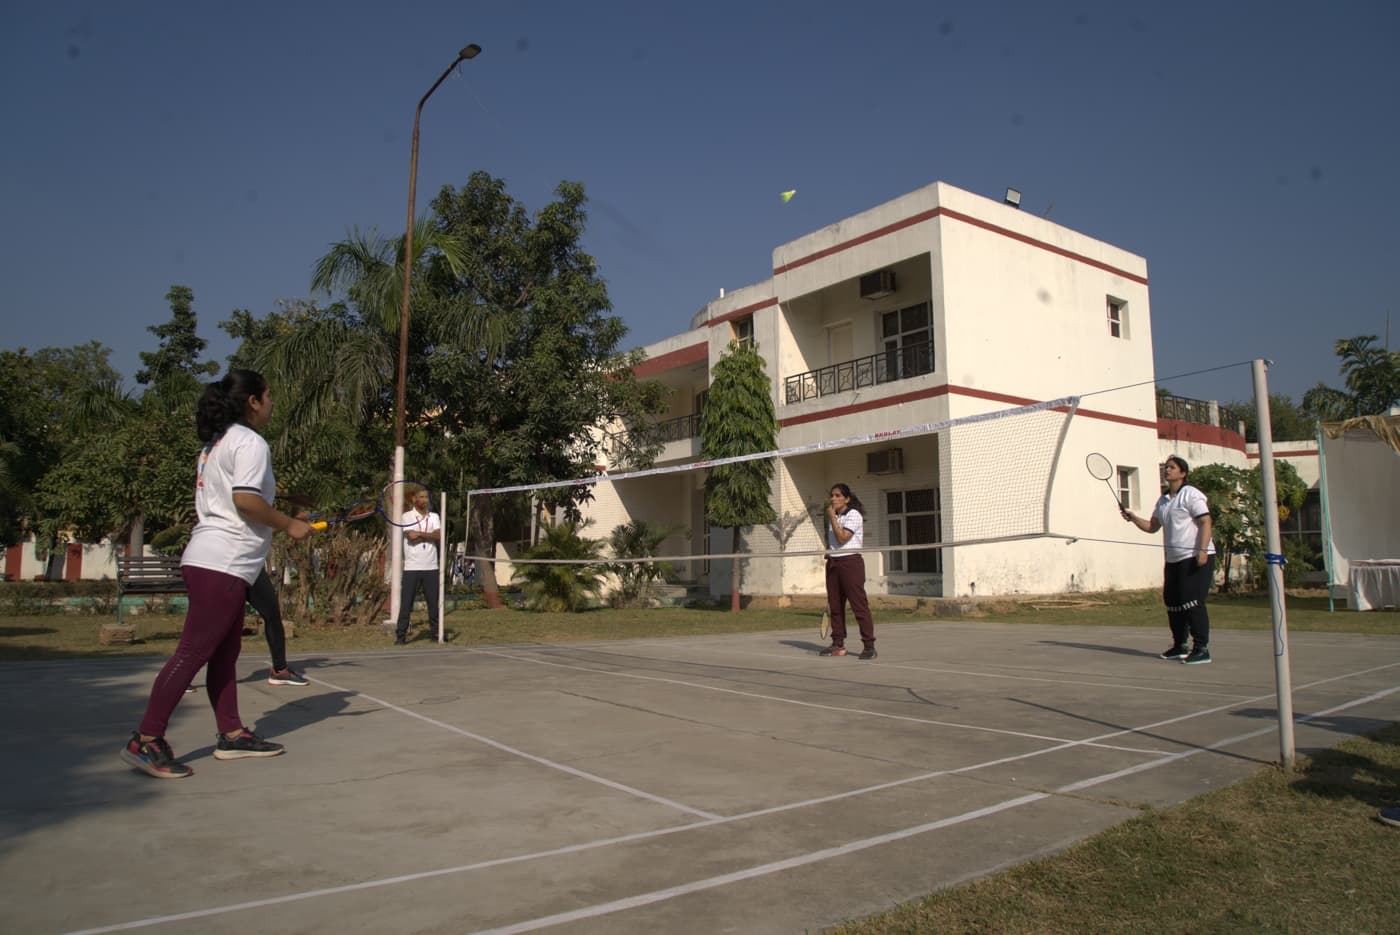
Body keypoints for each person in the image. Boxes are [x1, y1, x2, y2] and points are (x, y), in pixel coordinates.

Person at [120, 370, 312, 779]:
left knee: (225, 654)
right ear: (253, 402)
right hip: (221, 562)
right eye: (269, 394)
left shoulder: (215, 445)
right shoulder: (250, 442)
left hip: (217, 560)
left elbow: (236, 501)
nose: (272, 402)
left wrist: (288, 515)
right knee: (193, 653)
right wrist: (289, 525)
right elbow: (245, 501)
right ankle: (147, 739)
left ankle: (232, 733)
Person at [1121, 455, 1216, 665]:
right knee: (1172, 602)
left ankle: (1201, 648)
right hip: (1173, 560)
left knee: (1192, 602)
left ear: (1183, 473)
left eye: (1172, 468)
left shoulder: (1191, 495)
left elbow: (1205, 521)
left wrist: (1202, 550)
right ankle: (1179, 645)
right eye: (1165, 468)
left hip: (1195, 556)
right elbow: (1153, 527)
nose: (1167, 471)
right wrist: (1133, 518)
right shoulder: (1163, 500)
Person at [821, 483, 876, 660]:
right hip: (833, 563)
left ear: (847, 499)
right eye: (832, 495)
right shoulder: (834, 516)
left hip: (850, 563)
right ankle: (838, 643)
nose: (833, 499)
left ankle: (869, 646)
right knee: (835, 606)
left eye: (837, 496)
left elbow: (843, 538)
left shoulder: (853, 515)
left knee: (859, 605)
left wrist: (831, 518)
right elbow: (833, 542)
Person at [394, 486, 441, 644]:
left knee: (433, 603)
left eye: (426, 497)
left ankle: (436, 634)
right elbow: (411, 536)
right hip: (412, 567)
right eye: (421, 497)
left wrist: (421, 534)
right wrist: (427, 535)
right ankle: (401, 636)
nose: (424, 500)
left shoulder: (434, 516)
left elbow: (438, 536)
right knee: (406, 603)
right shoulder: (407, 516)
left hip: (431, 566)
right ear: (414, 499)